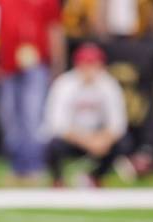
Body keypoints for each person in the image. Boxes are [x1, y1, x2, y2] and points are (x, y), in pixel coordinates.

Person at [0, 0, 65, 183]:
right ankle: (17, 167)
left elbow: (54, 30)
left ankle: (34, 166)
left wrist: (58, 64)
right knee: (10, 118)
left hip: (36, 64)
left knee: (32, 116)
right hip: (7, 64)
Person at [44, 43, 127, 187]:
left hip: (99, 136)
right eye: (86, 64)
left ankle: (96, 177)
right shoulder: (64, 84)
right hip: (73, 138)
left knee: (123, 143)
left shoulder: (109, 84)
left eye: (94, 64)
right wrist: (87, 141)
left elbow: (118, 123)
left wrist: (104, 139)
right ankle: (58, 180)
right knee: (52, 144)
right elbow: (57, 124)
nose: (90, 70)